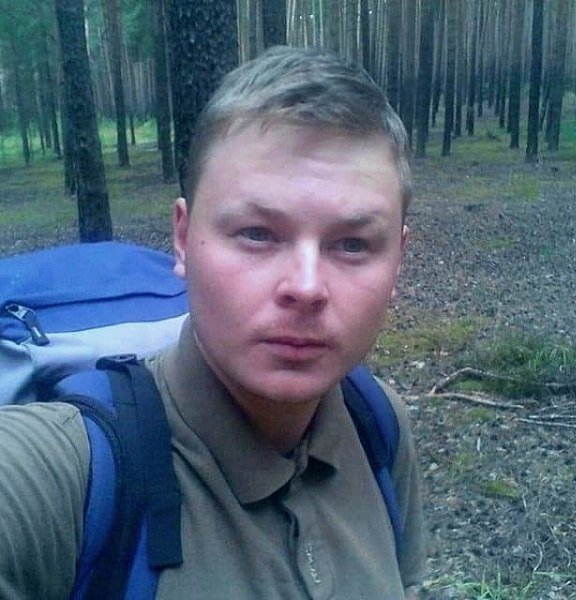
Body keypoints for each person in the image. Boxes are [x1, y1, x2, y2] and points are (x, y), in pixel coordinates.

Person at [0, 46, 425, 598]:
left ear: (398, 260)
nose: (306, 287)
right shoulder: (61, 476)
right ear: (183, 238)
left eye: (352, 244)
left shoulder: (379, 427)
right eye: (257, 234)